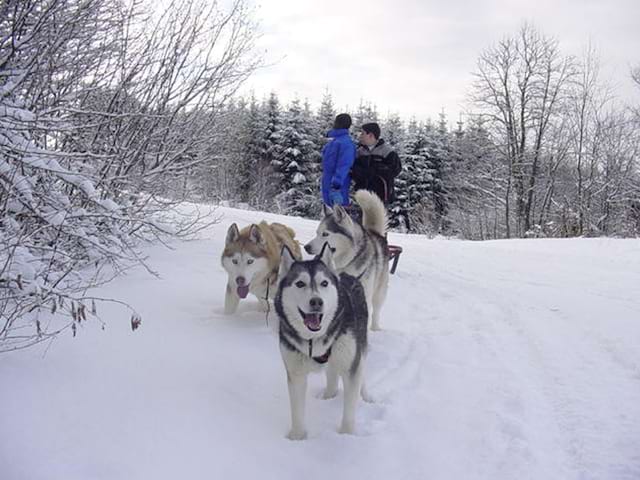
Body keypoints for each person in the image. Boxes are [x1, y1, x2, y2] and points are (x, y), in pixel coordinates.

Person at [351, 122, 402, 206]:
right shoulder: (359, 152)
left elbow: (396, 169)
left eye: (362, 133)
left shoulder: (387, 151)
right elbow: (354, 171)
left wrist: (378, 170)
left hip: (381, 196)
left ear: (370, 135)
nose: (360, 136)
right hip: (363, 196)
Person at [321, 113, 356, 207]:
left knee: (339, 217)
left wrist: (336, 185)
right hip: (328, 183)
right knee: (330, 217)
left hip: (337, 187)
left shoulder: (346, 143)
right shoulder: (334, 141)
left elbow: (344, 165)